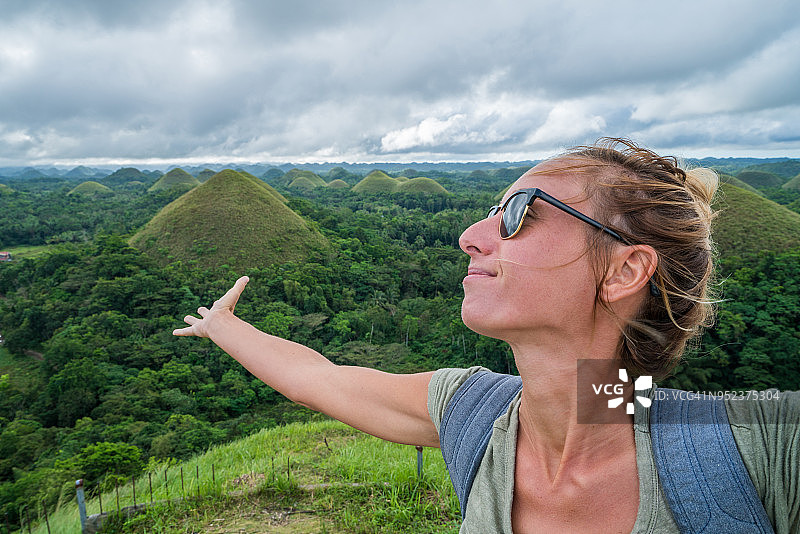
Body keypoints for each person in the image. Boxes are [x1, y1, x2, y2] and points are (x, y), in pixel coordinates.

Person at [174, 138, 798, 533]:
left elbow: (637, 408)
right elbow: (320, 379)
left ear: (623, 270)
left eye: (520, 214)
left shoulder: (761, 449)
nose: (471, 236)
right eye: (491, 212)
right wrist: (223, 325)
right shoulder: (472, 413)